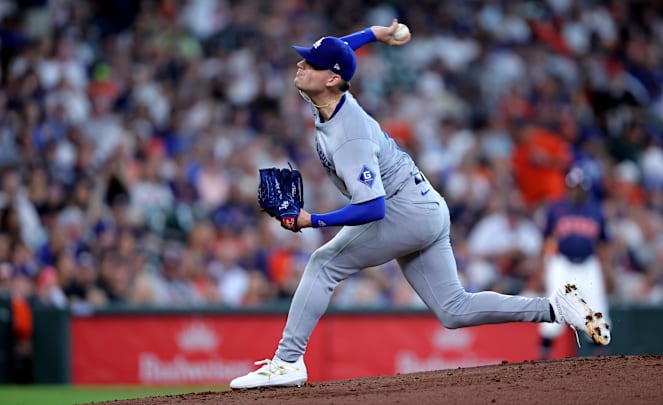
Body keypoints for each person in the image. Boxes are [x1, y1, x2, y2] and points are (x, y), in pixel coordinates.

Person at [229, 20, 610, 389]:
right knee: (453, 309)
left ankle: (287, 361)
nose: (300, 65)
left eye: (308, 64)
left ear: (331, 79)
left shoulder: (350, 136)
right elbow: (338, 52)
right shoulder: (326, 92)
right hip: (426, 205)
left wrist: (313, 219)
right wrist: (375, 34)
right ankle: (557, 308)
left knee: (323, 264)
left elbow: (373, 208)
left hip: (401, 209)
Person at [538, 166, 612, 359]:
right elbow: (546, 239)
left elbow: (604, 243)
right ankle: (543, 357)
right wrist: (541, 268)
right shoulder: (556, 208)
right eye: (574, 186)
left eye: (580, 187)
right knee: (553, 308)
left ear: (586, 189)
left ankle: (601, 358)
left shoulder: (596, 210)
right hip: (562, 264)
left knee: (596, 310)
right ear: (568, 187)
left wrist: (608, 270)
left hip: (588, 265)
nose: (577, 190)